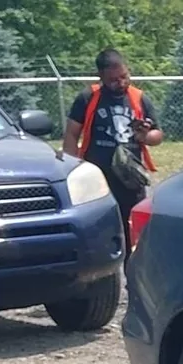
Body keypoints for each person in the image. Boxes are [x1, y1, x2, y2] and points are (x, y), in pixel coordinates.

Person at [63, 48, 162, 240]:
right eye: (114, 80)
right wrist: (71, 167)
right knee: (100, 226)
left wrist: (145, 136)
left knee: (133, 228)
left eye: (124, 76)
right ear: (101, 77)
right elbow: (72, 134)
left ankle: (131, 258)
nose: (121, 83)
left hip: (129, 177)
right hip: (98, 175)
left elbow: (157, 135)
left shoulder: (139, 98)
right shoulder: (88, 98)